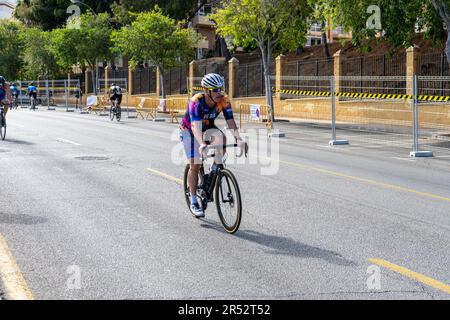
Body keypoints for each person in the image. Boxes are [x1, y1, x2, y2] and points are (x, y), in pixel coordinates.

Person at [179, 73, 248, 218]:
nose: (219, 93)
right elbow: (195, 126)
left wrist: (239, 139)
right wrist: (202, 143)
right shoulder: (196, 101)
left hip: (208, 128)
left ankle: (214, 170)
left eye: (220, 89)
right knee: (195, 163)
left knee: (221, 138)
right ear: (206, 91)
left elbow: (230, 122)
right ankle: (193, 200)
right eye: (215, 90)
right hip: (189, 130)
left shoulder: (223, 100)